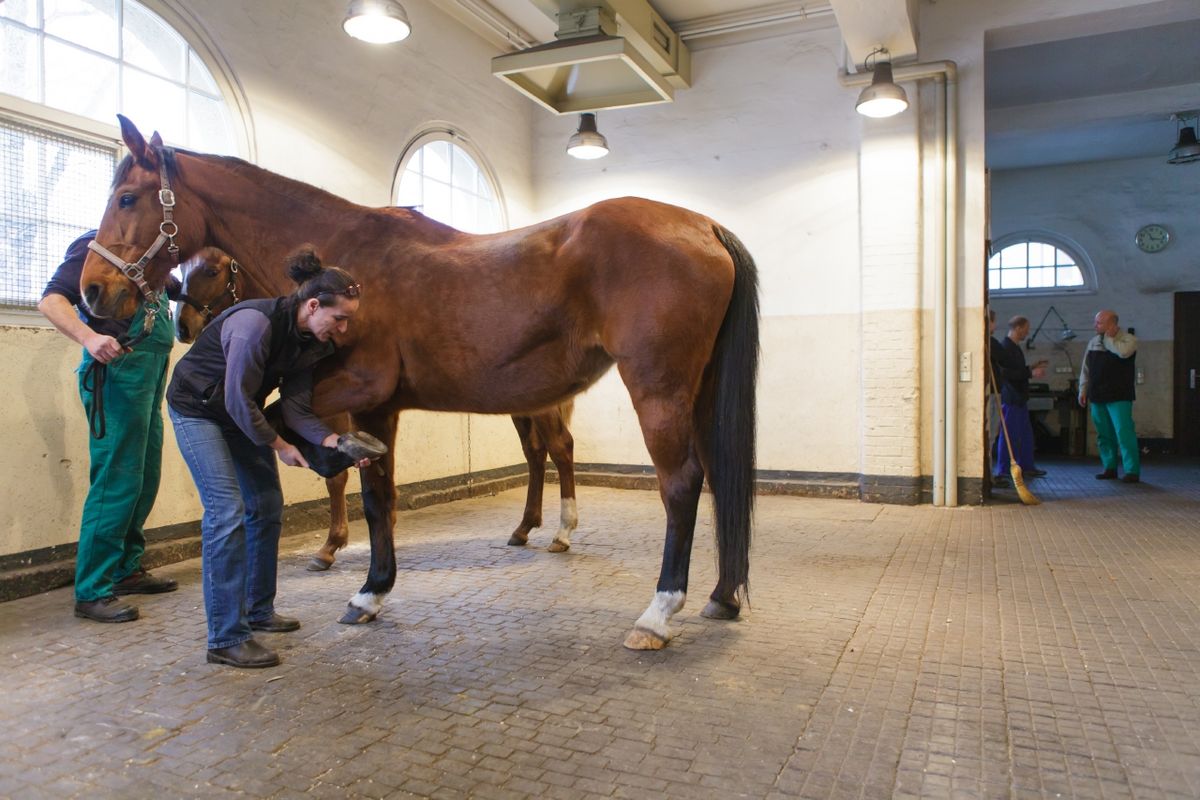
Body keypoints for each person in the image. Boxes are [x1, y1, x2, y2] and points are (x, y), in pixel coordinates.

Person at [167, 249, 376, 669]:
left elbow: (297, 410)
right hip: (198, 411)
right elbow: (237, 399)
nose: (343, 328)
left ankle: (258, 610)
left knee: (266, 505)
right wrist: (280, 446)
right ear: (313, 306)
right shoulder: (253, 324)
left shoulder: (309, 344)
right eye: (340, 318)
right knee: (226, 512)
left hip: (237, 415)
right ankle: (225, 637)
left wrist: (334, 442)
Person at [39, 231, 179, 623]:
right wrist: (89, 337)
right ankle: (92, 591)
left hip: (151, 370)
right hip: (118, 372)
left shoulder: (152, 256)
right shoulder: (94, 246)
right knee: (116, 480)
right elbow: (51, 300)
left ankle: (125, 569)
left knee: (145, 478)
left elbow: (181, 292)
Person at [1079, 309, 1140, 483]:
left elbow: (1123, 353)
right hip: (1097, 394)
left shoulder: (1129, 340)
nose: (1095, 326)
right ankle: (1109, 467)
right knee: (1103, 434)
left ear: (1112, 325)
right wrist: (1082, 390)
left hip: (1119, 395)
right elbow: (1086, 369)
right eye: (1096, 322)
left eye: (1099, 323)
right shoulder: (1093, 342)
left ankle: (1132, 470)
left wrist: (1109, 339)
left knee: (1124, 433)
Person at [993, 315, 1048, 481]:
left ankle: (1026, 466)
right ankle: (1003, 469)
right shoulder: (1006, 347)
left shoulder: (1014, 347)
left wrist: (1031, 367)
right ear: (1018, 328)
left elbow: (1015, 369)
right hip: (1011, 398)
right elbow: (1006, 373)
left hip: (1019, 398)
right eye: (1026, 329)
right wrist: (1031, 373)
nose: (1027, 332)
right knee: (1009, 435)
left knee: (1025, 435)